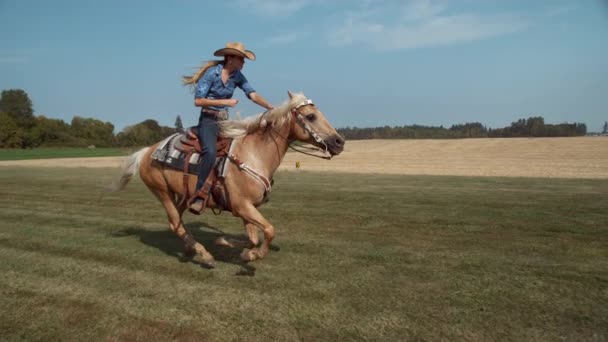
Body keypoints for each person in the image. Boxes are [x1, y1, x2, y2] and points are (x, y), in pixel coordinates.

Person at [182, 42, 273, 214]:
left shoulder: (238, 76)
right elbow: (198, 101)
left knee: (240, 149)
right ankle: (199, 195)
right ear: (230, 58)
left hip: (224, 122)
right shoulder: (211, 74)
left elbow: (252, 94)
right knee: (209, 152)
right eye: (241, 59)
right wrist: (224, 102)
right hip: (208, 120)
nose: (243, 63)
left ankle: (235, 190)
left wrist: (270, 107)